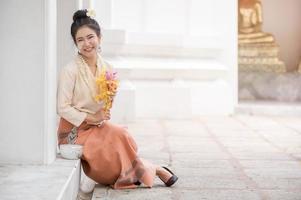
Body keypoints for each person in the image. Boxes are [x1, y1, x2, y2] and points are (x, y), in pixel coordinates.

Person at [56, 9, 178, 191]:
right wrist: (91, 118)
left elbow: (104, 106)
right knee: (109, 162)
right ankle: (155, 170)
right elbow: (62, 108)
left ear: (100, 38)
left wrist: (104, 110)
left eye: (90, 37)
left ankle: (151, 170)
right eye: (80, 40)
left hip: (96, 126)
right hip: (73, 132)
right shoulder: (70, 70)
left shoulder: (108, 69)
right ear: (75, 43)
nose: (87, 44)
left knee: (121, 135)